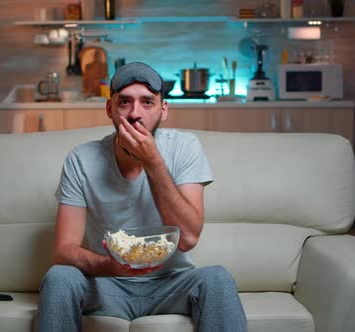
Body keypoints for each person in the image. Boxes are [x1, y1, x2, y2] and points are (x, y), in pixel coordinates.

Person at [34, 62, 247, 332]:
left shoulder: (185, 147)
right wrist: (109, 266)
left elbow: (189, 238)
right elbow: (64, 249)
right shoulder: (82, 159)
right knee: (59, 277)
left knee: (217, 277)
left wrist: (153, 161)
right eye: (125, 102)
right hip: (107, 284)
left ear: (164, 110)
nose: (135, 114)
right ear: (110, 109)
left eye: (147, 102)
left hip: (171, 283)